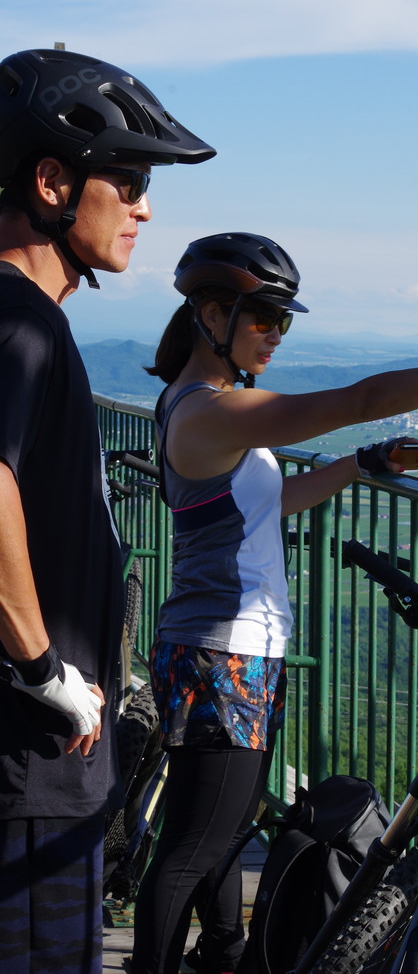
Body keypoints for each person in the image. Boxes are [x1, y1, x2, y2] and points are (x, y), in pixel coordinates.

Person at [131, 231, 418, 974]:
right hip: (221, 653)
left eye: (285, 320)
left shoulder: (215, 408)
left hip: (231, 650)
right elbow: (361, 398)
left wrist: (360, 466)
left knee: (224, 824)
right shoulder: (209, 412)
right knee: (192, 849)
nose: (276, 334)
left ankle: (223, 953)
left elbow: (269, 504)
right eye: (263, 316)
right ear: (210, 312)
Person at [0, 47, 215, 974]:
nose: (145, 206)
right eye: (126, 181)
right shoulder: (18, 321)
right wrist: (44, 668)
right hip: (30, 762)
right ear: (53, 181)